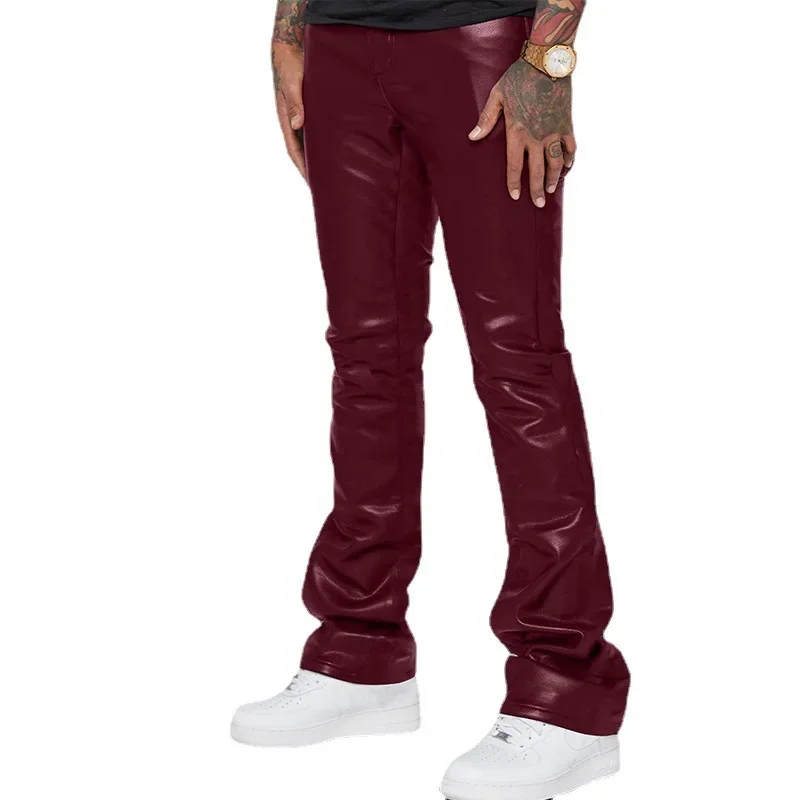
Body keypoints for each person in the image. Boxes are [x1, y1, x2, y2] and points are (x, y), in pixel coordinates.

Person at [231, 2, 629, 797]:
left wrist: (548, 59)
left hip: (482, 42)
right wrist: (288, 31)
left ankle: (568, 690)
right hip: (339, 42)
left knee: (519, 361)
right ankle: (360, 650)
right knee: (365, 354)